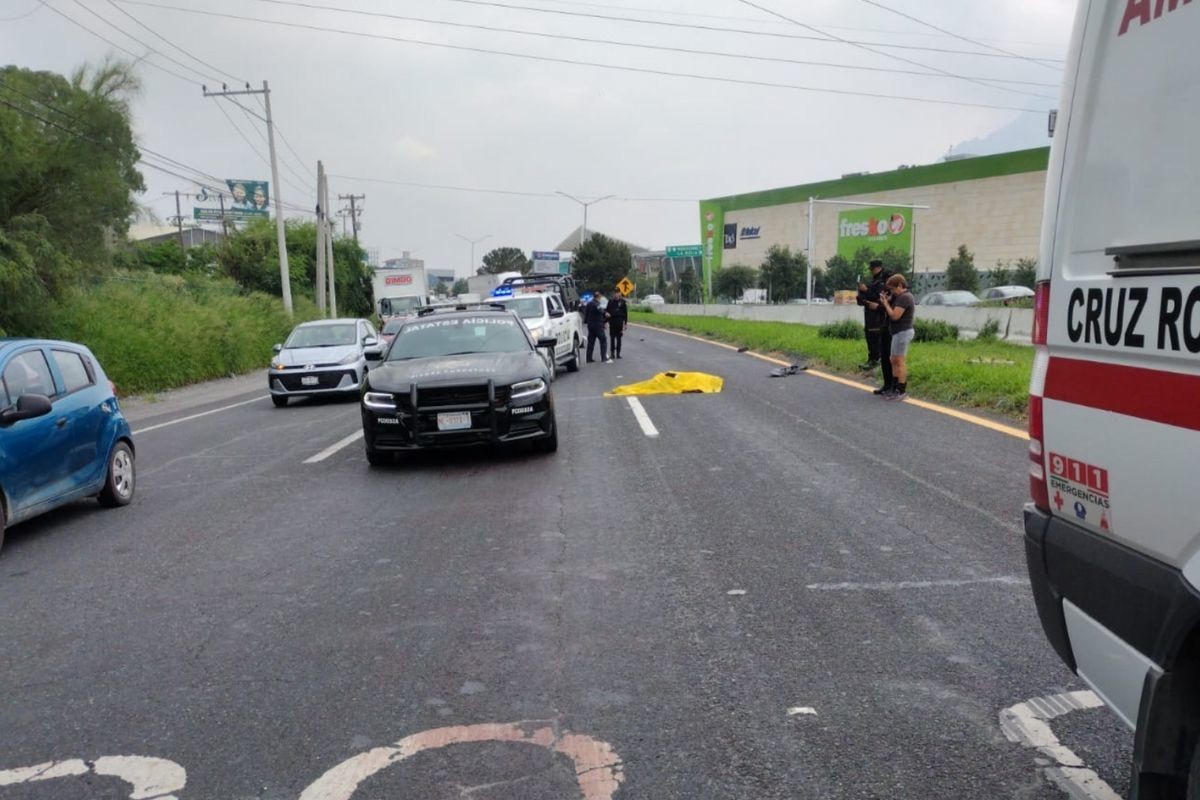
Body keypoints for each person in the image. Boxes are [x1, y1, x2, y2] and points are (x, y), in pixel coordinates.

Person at [878, 273, 916, 400]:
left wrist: (886, 304)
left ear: (900, 285)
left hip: (903, 332)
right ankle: (894, 387)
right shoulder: (900, 297)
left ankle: (901, 389)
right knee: (893, 360)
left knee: (899, 361)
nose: (892, 292)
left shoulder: (905, 297)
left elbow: (895, 316)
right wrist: (888, 302)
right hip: (897, 332)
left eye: (893, 289)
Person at [861, 260, 895, 394]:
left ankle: (895, 386)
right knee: (885, 356)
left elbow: (888, 306)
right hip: (879, 321)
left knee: (892, 357)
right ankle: (887, 385)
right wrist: (863, 297)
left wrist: (869, 292)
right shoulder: (876, 282)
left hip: (886, 322)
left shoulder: (901, 295)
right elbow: (880, 301)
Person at [583, 294, 609, 363]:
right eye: (600, 298)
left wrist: (586, 321)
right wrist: (605, 313)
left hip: (590, 325)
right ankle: (604, 357)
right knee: (603, 340)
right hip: (597, 325)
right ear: (598, 297)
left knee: (591, 342)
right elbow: (600, 310)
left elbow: (586, 313)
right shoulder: (596, 304)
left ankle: (588, 358)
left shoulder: (589, 304)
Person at [606, 290, 628, 359]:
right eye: (615, 293)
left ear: (619, 294)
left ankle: (618, 353)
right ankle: (612, 353)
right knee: (612, 339)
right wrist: (605, 322)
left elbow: (625, 313)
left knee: (619, 339)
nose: (616, 295)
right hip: (612, 322)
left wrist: (625, 323)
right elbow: (607, 311)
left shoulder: (622, 302)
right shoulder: (610, 302)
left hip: (619, 322)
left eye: (617, 293)